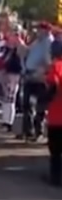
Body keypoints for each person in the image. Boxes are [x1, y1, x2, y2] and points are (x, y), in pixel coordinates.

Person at [44, 40, 62, 186]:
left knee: (56, 151)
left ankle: (56, 178)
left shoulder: (57, 65)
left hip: (57, 116)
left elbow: (53, 85)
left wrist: (45, 99)